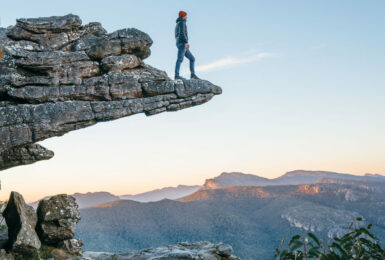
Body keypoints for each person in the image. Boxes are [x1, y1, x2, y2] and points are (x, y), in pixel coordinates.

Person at [174, 11, 200, 80]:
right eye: (186, 16)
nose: (186, 17)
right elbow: (182, 34)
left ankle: (193, 75)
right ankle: (176, 76)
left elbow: (177, 35)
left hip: (180, 43)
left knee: (192, 58)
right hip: (182, 43)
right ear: (183, 16)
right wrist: (186, 42)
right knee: (180, 59)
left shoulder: (178, 23)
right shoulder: (182, 22)